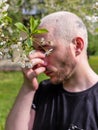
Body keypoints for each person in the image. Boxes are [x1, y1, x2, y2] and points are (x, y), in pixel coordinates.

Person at [5, 11, 98, 130]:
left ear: (77, 46)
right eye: (36, 51)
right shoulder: (43, 91)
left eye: (45, 50)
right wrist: (28, 87)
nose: (40, 62)